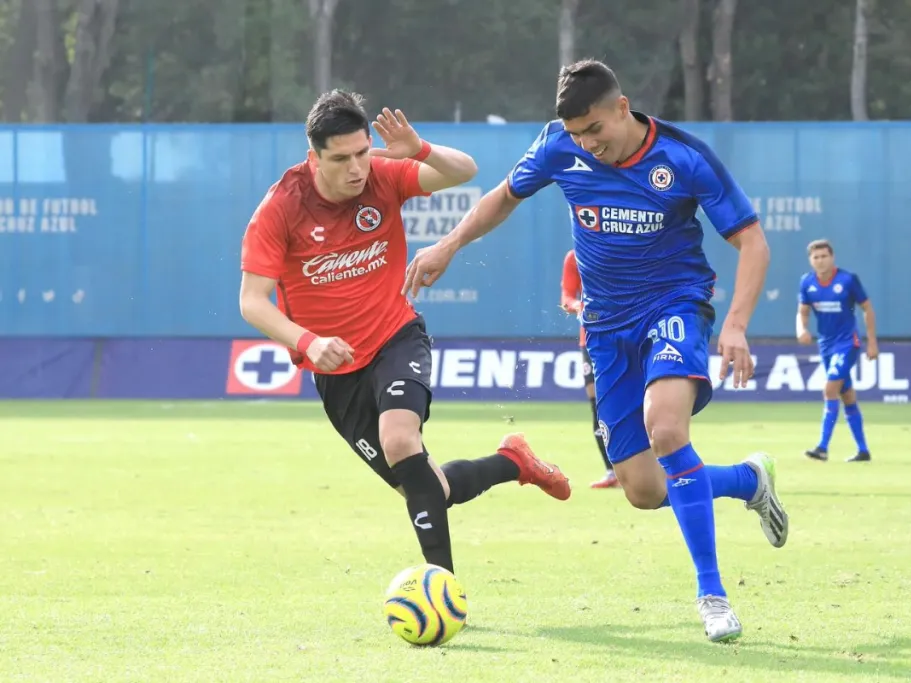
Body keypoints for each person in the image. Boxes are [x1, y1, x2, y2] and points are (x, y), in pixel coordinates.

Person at [403, 60, 789, 643]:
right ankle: (747, 480)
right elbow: (505, 196)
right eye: (578, 134)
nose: (588, 144)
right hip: (605, 328)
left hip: (674, 308)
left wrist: (735, 324)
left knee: (666, 430)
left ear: (621, 106)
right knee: (643, 489)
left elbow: (752, 241)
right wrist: (449, 245)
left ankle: (712, 596)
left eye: (595, 130)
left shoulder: (683, 157)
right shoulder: (560, 146)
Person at [238, 89, 571, 577]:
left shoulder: (382, 172)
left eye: (361, 152)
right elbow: (251, 301)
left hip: (396, 337)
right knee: (425, 488)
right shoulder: (281, 208)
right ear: (313, 157)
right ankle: (512, 462)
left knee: (399, 440)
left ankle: (445, 593)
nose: (356, 168)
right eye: (340, 159)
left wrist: (419, 148)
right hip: (334, 369)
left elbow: (465, 171)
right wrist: (308, 343)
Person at [796, 239, 877, 463]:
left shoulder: (847, 280)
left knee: (830, 390)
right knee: (847, 395)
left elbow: (867, 308)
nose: (820, 261)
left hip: (848, 342)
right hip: (826, 345)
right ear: (810, 261)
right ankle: (863, 450)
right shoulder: (807, 282)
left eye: (824, 256)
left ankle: (822, 447)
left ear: (832, 258)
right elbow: (802, 312)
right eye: (816, 257)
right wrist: (802, 329)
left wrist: (872, 342)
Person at [561, 248, 618, 488]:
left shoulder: (626, 249)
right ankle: (612, 472)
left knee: (635, 399)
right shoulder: (575, 257)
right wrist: (577, 306)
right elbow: (566, 296)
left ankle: (648, 466)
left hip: (624, 334)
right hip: (591, 338)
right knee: (597, 404)